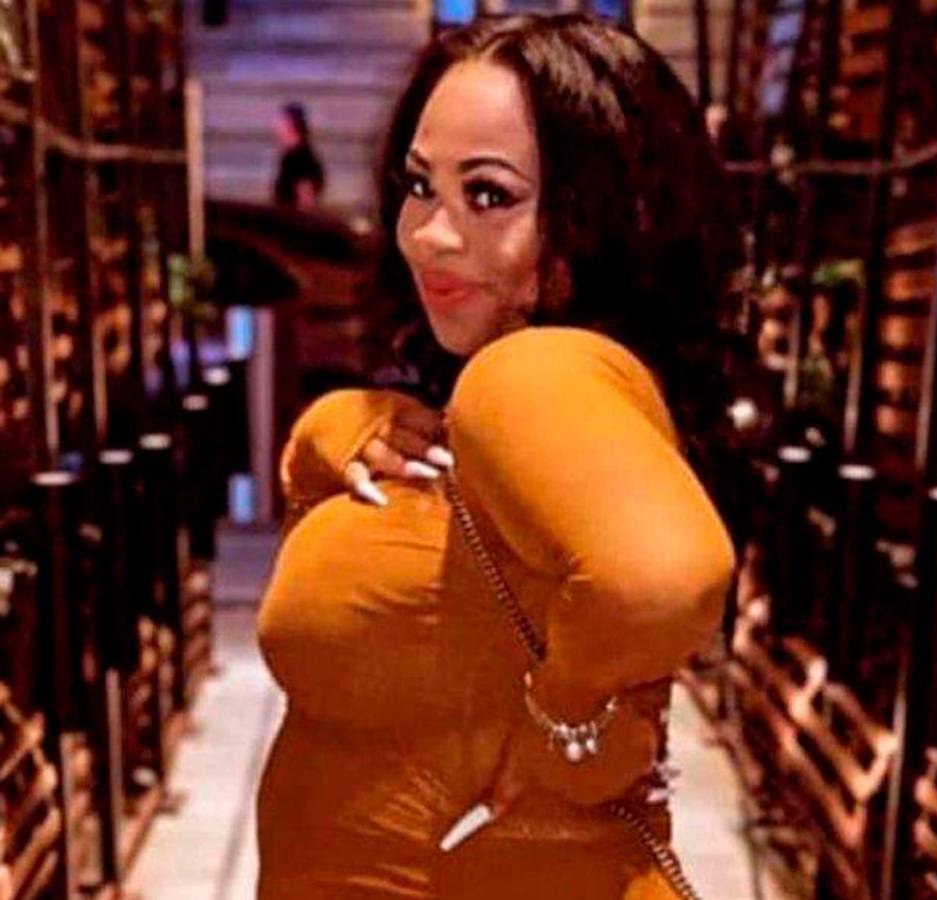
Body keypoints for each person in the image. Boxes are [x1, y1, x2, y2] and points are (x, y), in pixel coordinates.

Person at [256, 13, 738, 898]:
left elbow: (663, 579)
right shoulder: (512, 387)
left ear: (602, 215)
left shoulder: (530, 374)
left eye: (488, 195)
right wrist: (330, 434)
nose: (427, 235)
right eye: (419, 185)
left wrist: (562, 717)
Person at [273, 102, 325, 209]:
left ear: (290, 125)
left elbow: (305, 204)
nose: (276, 127)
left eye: (280, 122)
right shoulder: (289, 157)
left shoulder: (302, 159)